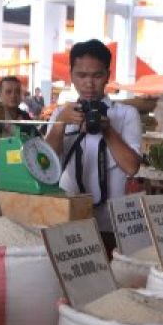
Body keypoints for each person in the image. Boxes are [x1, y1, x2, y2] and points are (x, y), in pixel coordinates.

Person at [45, 39, 142, 235]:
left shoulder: (126, 114)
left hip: (113, 223)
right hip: (69, 217)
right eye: (81, 75)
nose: (89, 83)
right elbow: (46, 164)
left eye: (97, 75)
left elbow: (132, 167)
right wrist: (60, 124)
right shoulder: (61, 114)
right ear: (71, 76)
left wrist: (108, 130)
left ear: (107, 75)